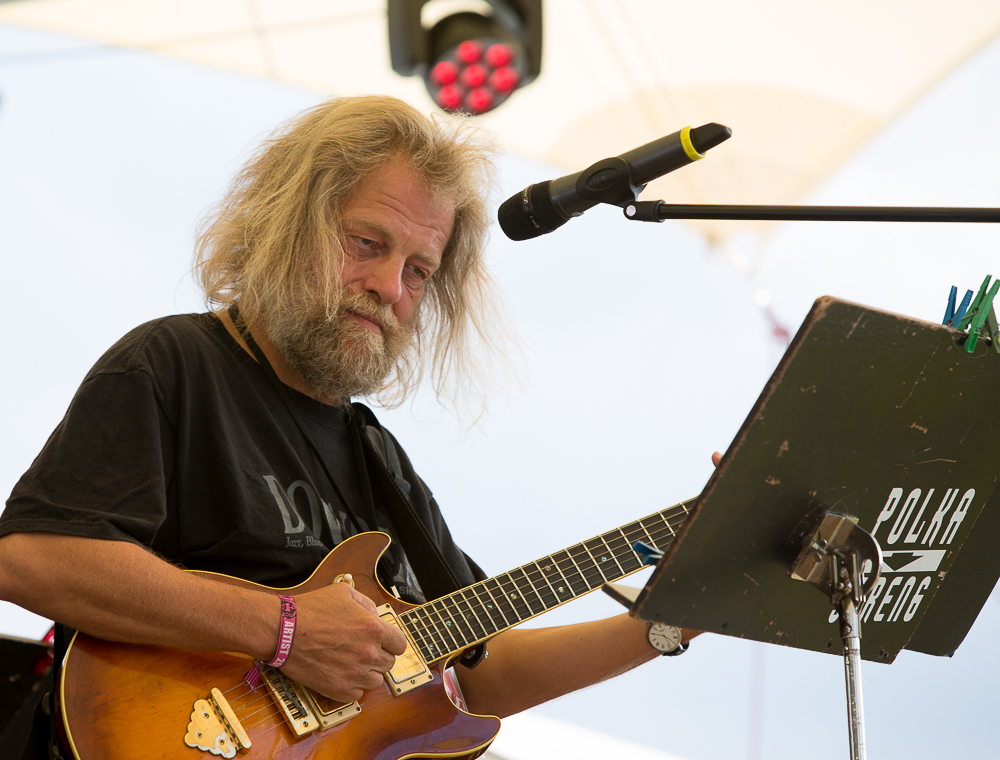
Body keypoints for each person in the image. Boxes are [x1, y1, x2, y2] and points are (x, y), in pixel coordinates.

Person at [0, 95, 694, 759]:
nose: (390, 287)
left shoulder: (379, 462)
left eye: (418, 271)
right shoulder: (174, 364)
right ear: (288, 222)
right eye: (367, 243)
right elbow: (31, 558)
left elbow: (481, 672)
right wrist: (285, 632)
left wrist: (682, 616)